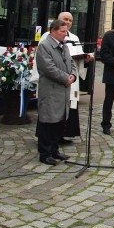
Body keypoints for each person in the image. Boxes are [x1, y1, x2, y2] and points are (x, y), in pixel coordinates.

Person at [35, 20, 76, 165]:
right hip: (51, 90)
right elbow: (49, 68)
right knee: (48, 121)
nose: (65, 34)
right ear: (53, 31)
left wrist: (73, 75)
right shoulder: (44, 46)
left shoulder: (64, 45)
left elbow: (71, 62)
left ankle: (54, 150)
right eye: (62, 31)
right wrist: (66, 78)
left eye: (66, 31)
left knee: (58, 121)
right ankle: (45, 153)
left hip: (63, 90)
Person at [56, 11, 94, 146]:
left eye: (70, 20)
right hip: (57, 78)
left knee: (70, 105)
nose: (68, 22)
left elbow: (79, 56)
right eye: (65, 19)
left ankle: (66, 134)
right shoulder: (50, 36)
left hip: (72, 78)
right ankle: (54, 135)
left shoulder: (74, 38)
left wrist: (86, 58)